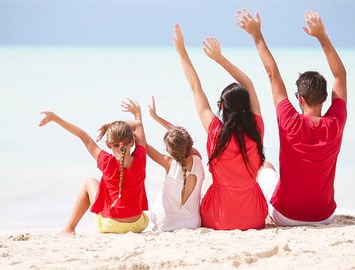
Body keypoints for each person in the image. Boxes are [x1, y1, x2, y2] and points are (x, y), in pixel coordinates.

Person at [236, 9, 347, 226]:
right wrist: (322, 36)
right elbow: (340, 75)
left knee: (265, 167)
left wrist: (257, 36)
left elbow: (272, 74)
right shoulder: (335, 123)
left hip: (286, 216)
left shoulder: (289, 120)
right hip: (324, 216)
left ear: (300, 98)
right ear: (326, 97)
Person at [173, 24, 268, 230]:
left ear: (221, 107)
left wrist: (182, 52)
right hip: (254, 217)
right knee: (268, 169)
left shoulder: (215, 131)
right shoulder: (257, 128)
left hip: (218, 217)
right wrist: (220, 59)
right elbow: (249, 85)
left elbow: (196, 88)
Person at [38, 98, 149, 234]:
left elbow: (83, 136)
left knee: (89, 182)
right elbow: (138, 125)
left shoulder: (106, 162)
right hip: (137, 224)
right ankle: (69, 229)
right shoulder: (140, 159)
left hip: (111, 225)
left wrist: (55, 118)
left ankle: (69, 229)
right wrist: (111, 125)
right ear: (132, 142)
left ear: (108, 144)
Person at [145, 96, 205, 231]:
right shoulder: (198, 158)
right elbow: (180, 136)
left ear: (169, 151)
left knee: (162, 193)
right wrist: (156, 117)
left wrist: (138, 120)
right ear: (190, 143)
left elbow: (144, 146)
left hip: (165, 223)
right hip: (192, 223)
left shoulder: (168, 162)